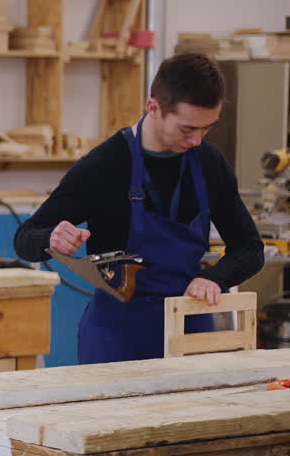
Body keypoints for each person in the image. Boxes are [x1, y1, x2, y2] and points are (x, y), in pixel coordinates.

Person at [14, 53, 264, 365]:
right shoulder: (104, 165)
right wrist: (50, 238)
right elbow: (25, 238)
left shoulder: (209, 162)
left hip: (192, 323)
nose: (197, 140)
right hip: (119, 335)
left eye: (207, 128)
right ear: (154, 108)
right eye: (187, 129)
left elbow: (250, 248)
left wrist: (215, 278)